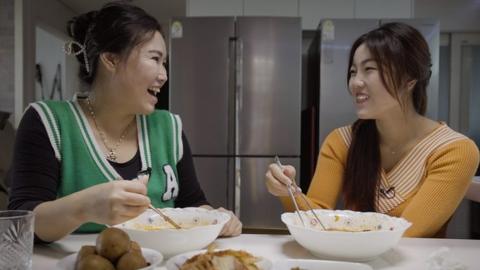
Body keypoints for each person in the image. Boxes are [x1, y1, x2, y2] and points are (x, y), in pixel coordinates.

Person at [8, 2, 241, 242]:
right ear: (111, 60)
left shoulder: (169, 128)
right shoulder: (48, 122)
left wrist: (216, 217)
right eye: (155, 59)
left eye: (164, 63)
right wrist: (84, 207)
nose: (164, 75)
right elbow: (21, 224)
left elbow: (192, 204)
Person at [265, 22, 479, 238]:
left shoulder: (454, 151)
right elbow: (315, 219)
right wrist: (288, 191)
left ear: (409, 79)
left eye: (369, 69)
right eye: (353, 71)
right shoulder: (342, 141)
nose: (355, 82)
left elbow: (408, 234)